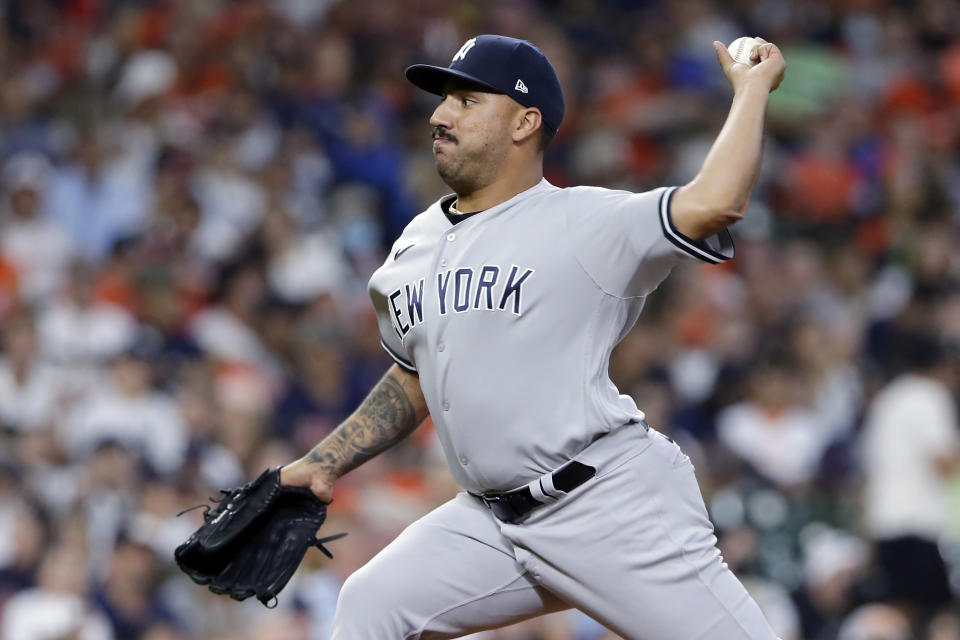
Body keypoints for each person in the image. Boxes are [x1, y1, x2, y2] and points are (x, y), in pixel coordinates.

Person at [280, 34, 786, 638]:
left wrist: (752, 90)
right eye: (444, 100)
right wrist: (324, 462)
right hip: (491, 523)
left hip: (606, 503)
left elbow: (717, 202)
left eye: (467, 101)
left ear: (525, 122)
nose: (440, 115)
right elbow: (421, 373)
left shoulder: (584, 222)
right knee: (372, 603)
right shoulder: (414, 242)